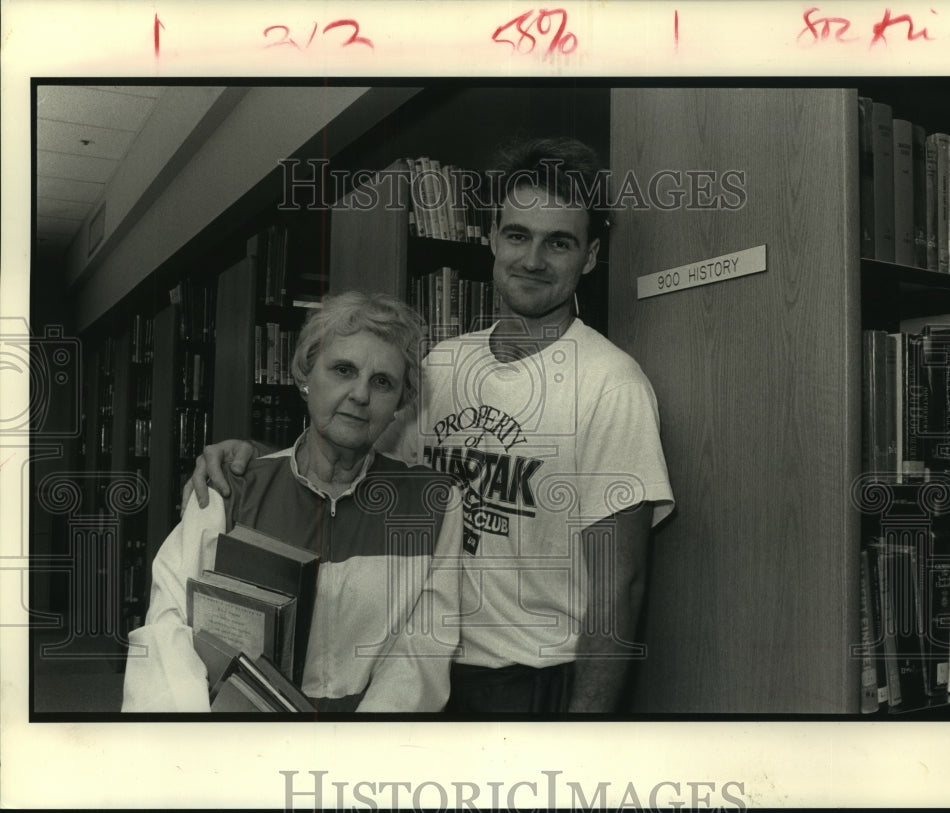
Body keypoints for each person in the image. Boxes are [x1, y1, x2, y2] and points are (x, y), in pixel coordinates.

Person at [189, 137, 674, 713]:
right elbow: (351, 464)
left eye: (560, 243)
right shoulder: (443, 364)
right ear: (493, 238)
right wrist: (253, 457)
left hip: (528, 680)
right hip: (415, 661)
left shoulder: (612, 387)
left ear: (589, 257)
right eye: (517, 235)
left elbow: (622, 590)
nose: (533, 260)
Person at [123, 291, 462, 713]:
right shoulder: (229, 489)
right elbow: (166, 631)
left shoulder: (434, 504)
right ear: (305, 374)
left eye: (382, 382)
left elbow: (422, 649)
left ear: (400, 403)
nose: (360, 394)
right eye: (343, 370)